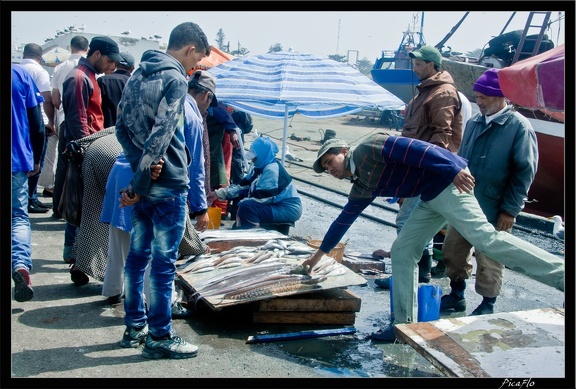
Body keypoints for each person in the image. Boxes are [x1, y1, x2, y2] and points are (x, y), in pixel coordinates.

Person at [302, 135, 563, 342]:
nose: (329, 168)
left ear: (344, 151)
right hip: (428, 199)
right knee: (403, 251)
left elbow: (417, 149)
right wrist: (316, 258)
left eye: (329, 160)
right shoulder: (361, 185)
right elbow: (343, 221)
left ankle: (561, 274)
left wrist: (452, 169)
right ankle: (403, 325)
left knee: (486, 240)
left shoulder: (368, 148)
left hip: (449, 183)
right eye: (325, 167)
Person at [115, 21, 210, 359]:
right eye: (196, 60)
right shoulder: (175, 79)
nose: (194, 67)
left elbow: (121, 126)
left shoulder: (138, 75)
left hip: (145, 183)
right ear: (189, 49)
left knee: (138, 256)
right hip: (167, 185)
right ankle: (160, 334)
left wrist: (139, 168)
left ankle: (134, 326)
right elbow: (164, 131)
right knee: (163, 262)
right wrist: (144, 177)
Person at [440, 68, 539, 316]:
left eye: (483, 97)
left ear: (499, 97)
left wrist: (510, 210)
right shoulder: (474, 123)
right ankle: (457, 293)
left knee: (490, 257)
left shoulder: (518, 127)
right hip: (465, 202)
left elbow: (524, 172)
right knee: (452, 250)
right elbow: (461, 160)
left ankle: (488, 303)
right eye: (477, 96)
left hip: (495, 207)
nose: (479, 102)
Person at [373, 45, 468, 284]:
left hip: (424, 170)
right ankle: (417, 273)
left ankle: (409, 276)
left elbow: (442, 137)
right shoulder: (424, 93)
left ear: (432, 65)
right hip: (415, 168)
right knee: (415, 223)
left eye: (417, 64)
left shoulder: (442, 93)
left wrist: (427, 171)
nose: (414, 69)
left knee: (409, 222)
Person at [59, 36, 120, 282]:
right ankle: (77, 261)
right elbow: (79, 119)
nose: (111, 67)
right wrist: (87, 150)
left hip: (90, 148)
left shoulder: (90, 77)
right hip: (85, 151)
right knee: (83, 208)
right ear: (96, 54)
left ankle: (78, 261)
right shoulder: (78, 77)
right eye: (109, 61)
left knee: (86, 209)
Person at [207, 136, 303, 229]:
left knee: (247, 207)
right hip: (276, 204)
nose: (252, 159)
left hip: (287, 208)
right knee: (244, 205)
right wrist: (218, 194)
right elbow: (242, 186)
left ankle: (253, 235)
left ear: (263, 155)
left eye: (255, 157)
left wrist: (242, 205)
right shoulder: (260, 167)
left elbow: (264, 197)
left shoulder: (272, 170)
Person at [12, 64, 46, 302]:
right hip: (15, 159)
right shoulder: (20, 74)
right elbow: (37, 123)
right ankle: (21, 265)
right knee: (18, 218)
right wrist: (36, 157)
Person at [51, 35, 89, 219]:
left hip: (64, 119)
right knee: (79, 170)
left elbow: (55, 99)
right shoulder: (90, 71)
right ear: (87, 49)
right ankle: (73, 211)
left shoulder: (60, 68)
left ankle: (57, 209)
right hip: (84, 124)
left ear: (71, 48)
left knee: (63, 165)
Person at [19, 43, 56, 214]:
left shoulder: (18, 69)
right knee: (37, 161)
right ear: (40, 58)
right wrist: (50, 121)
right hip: (37, 119)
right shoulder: (39, 71)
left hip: (20, 121)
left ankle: (28, 196)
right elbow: (47, 98)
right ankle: (31, 198)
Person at [206, 101, 239, 216]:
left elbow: (219, 109)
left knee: (220, 176)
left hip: (215, 149)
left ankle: (220, 211)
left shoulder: (214, 106)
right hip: (209, 149)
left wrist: (232, 131)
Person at [98, 52, 136, 128]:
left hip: (104, 131)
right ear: (132, 69)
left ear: (115, 64)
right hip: (126, 133)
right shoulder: (136, 84)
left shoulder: (102, 80)